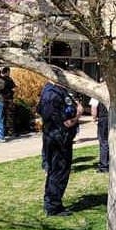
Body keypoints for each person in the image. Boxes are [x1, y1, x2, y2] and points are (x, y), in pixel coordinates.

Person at [37, 79, 82, 216]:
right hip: (58, 139)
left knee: (55, 171)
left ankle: (53, 202)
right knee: (59, 171)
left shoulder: (52, 90)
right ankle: (53, 206)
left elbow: (39, 109)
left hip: (56, 137)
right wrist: (78, 113)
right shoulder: (53, 93)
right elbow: (65, 122)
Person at [89, 96, 109, 173]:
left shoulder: (96, 93)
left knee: (103, 142)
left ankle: (104, 166)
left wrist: (94, 118)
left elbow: (94, 108)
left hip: (103, 118)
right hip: (113, 118)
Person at [0, 67, 17, 136]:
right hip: (8, 99)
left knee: (2, 116)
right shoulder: (8, 79)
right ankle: (10, 132)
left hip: (0, 100)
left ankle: (2, 132)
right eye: (9, 72)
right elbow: (14, 88)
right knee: (10, 116)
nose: (9, 73)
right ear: (7, 72)